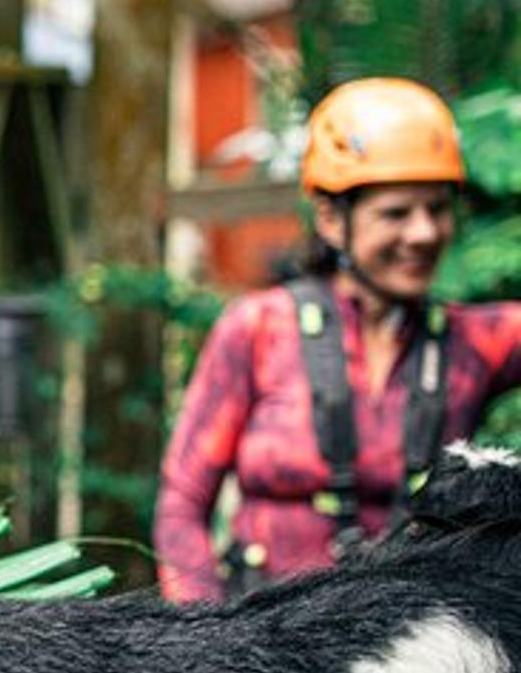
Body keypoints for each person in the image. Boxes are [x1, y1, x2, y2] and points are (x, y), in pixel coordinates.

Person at [156, 77, 521, 603]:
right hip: (264, 649)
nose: (424, 233)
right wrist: (201, 645)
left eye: (437, 209)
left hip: (410, 661)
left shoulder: (476, 341)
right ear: (330, 218)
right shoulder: (259, 328)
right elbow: (182, 505)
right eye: (396, 213)